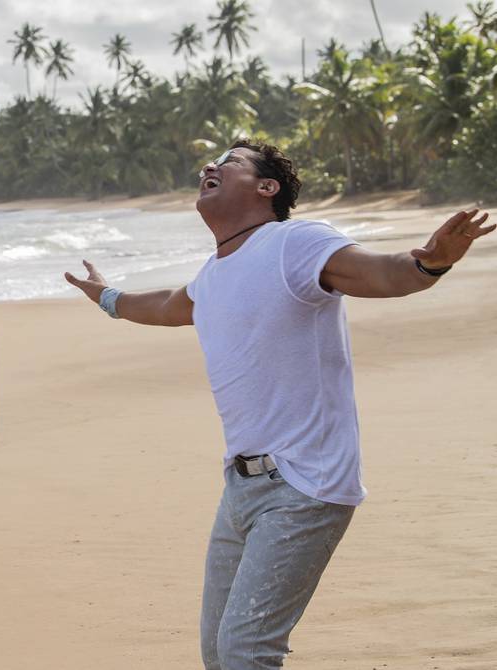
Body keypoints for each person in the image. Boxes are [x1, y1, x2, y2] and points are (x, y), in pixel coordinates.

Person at [64, 138, 493, 669]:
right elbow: (167, 305)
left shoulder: (295, 242)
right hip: (240, 489)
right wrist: (106, 297)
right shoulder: (215, 275)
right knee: (219, 655)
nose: (210, 166)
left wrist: (430, 263)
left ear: (267, 188)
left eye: (229, 163)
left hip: (304, 482)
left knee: (246, 650)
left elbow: (381, 273)